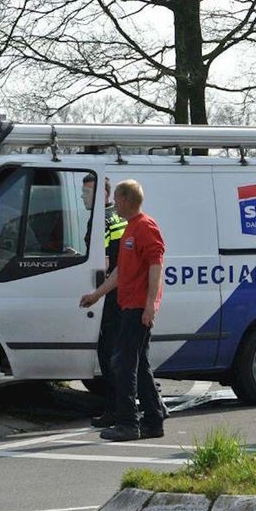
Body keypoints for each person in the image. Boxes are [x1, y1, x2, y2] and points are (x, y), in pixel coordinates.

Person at [79, 179, 167, 441]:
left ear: (127, 199)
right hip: (127, 305)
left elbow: (156, 266)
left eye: (116, 199)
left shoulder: (146, 227)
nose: (113, 203)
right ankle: (154, 420)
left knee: (124, 363)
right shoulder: (130, 228)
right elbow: (120, 271)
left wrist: (150, 304)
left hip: (139, 307)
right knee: (138, 366)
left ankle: (129, 422)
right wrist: (97, 295)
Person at [82, 174, 129, 428]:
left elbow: (105, 260)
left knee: (108, 353)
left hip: (112, 290)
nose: (82, 197)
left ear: (104, 195)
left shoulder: (102, 220)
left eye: (87, 193)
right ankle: (126, 405)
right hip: (118, 288)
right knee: (120, 353)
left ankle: (116, 409)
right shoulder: (116, 216)